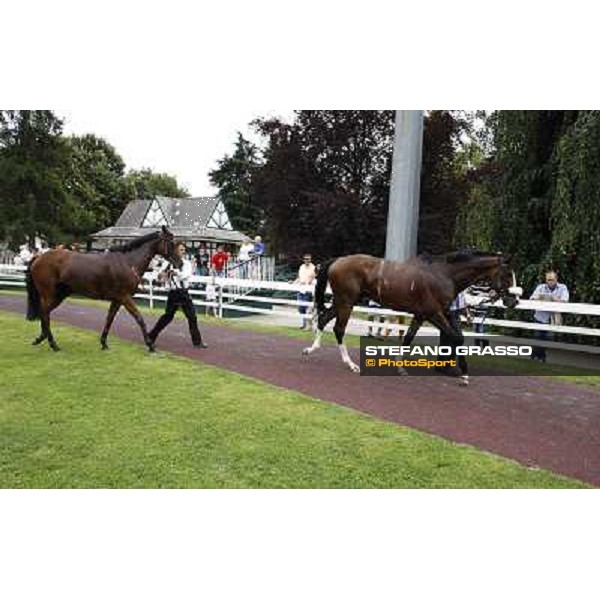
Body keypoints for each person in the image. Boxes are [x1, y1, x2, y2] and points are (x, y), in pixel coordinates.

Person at [148, 242, 207, 349]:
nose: (183, 252)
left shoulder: (187, 263)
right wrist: (161, 275)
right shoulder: (167, 263)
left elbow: (185, 275)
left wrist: (175, 272)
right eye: (181, 250)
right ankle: (151, 336)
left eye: (184, 250)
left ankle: (197, 342)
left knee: (192, 317)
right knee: (167, 317)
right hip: (173, 293)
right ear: (175, 250)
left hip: (183, 293)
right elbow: (158, 276)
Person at [530, 270, 569, 362]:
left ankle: (536, 354)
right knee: (538, 336)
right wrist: (539, 298)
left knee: (548, 338)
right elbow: (532, 298)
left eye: (551, 279)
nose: (549, 282)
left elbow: (565, 300)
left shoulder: (562, 287)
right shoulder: (541, 287)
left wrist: (555, 299)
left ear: (556, 279)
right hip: (540, 316)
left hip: (553, 318)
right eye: (548, 280)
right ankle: (541, 357)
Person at [293, 253, 316, 330]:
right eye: (305, 259)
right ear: (303, 260)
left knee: (307, 308)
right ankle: (304, 324)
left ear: (310, 260)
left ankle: (309, 325)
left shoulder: (313, 267)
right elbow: (299, 277)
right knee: (300, 308)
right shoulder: (301, 267)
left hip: (308, 290)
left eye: (308, 259)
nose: (307, 260)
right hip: (301, 290)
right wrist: (293, 282)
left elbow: (312, 278)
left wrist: (307, 282)